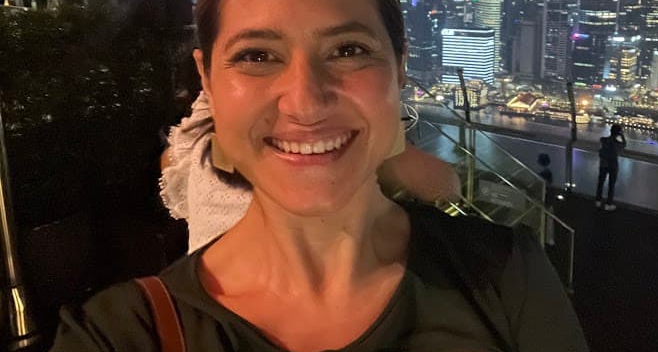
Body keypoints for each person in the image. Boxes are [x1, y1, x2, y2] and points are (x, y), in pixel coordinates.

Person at [23, 0, 603, 352]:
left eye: (348, 50)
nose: (304, 100)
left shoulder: (508, 278)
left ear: (399, 69)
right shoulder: (125, 349)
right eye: (257, 55)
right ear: (208, 81)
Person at [159, 89, 463, 252]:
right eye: (259, 57)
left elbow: (171, 165)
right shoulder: (347, 138)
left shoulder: (198, 143)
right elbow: (445, 184)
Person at [596, 123, 626, 211]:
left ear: (610, 131)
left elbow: (601, 143)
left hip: (603, 164)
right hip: (613, 165)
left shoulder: (603, 140)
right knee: (611, 185)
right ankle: (608, 204)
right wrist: (622, 135)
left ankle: (598, 201)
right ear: (618, 133)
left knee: (600, 183)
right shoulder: (618, 144)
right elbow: (624, 144)